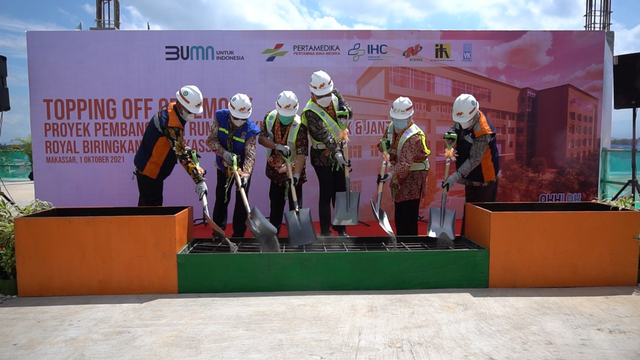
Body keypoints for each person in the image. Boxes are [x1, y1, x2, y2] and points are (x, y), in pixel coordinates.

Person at [134, 85, 207, 206]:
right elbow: (181, 154)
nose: (193, 116)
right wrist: (199, 180)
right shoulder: (170, 122)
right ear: (180, 105)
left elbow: (174, 141)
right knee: (152, 212)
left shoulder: (173, 110)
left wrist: (186, 148)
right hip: (149, 170)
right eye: (190, 112)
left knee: (145, 211)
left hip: (151, 170)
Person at [301, 70, 352, 237]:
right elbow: (326, 136)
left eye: (327, 93)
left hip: (340, 150)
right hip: (321, 157)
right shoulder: (310, 111)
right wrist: (337, 155)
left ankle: (341, 228)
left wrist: (345, 112)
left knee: (341, 190)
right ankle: (325, 230)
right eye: (320, 95)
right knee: (327, 191)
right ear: (312, 93)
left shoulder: (335, 93)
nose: (325, 97)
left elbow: (348, 111)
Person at [442, 93, 500, 234]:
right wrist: (451, 134)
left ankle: (479, 249)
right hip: (471, 176)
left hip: (485, 178)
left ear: (473, 115)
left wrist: (455, 177)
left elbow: (474, 159)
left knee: (481, 217)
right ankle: (465, 242)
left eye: (464, 121)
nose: (461, 124)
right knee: (469, 212)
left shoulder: (484, 131)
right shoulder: (463, 115)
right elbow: (456, 125)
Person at [207, 93, 260, 238]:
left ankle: (238, 234)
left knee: (241, 201)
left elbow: (250, 156)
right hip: (223, 166)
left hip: (242, 169)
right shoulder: (220, 118)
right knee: (221, 198)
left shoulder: (250, 130)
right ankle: (218, 233)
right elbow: (211, 140)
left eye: (242, 118)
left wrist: (246, 175)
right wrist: (224, 153)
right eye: (236, 117)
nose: (239, 121)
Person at [377, 96, 431, 236]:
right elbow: (383, 145)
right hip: (398, 178)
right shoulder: (391, 128)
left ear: (410, 116)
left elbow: (405, 164)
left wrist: (388, 175)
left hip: (413, 178)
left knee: (408, 216)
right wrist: (383, 146)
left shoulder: (414, 137)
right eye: (396, 118)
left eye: (402, 119)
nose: (398, 122)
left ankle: (410, 246)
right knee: (399, 213)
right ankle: (400, 242)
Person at [258, 91, 309, 235]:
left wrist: (297, 175)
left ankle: (297, 236)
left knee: (295, 205)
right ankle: (275, 235)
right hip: (276, 170)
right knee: (276, 205)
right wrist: (276, 146)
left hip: (295, 169)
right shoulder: (270, 118)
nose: (286, 118)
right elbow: (261, 138)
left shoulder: (300, 125)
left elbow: (301, 153)